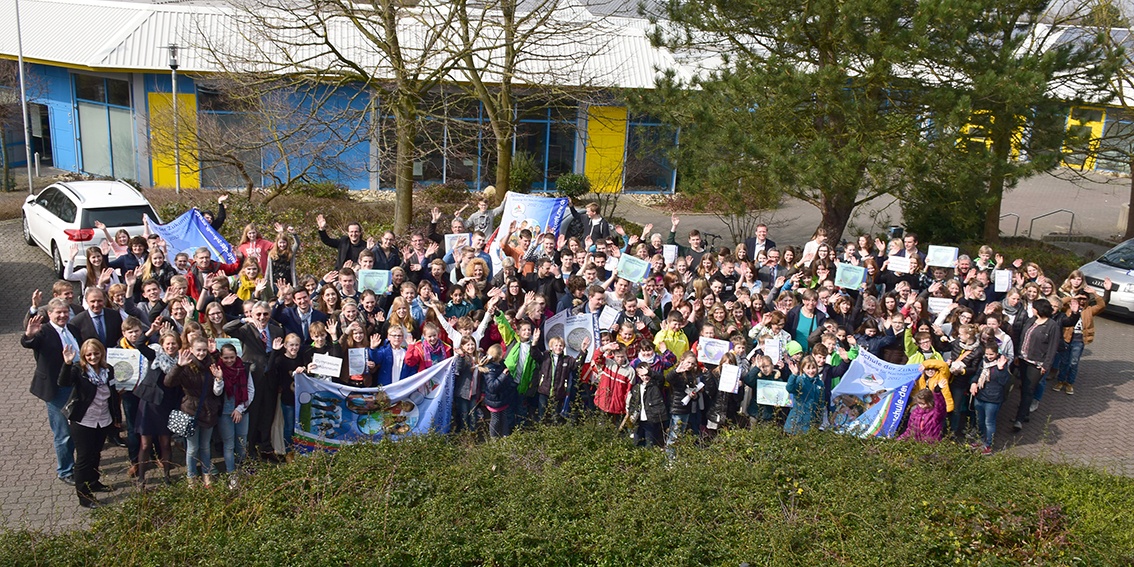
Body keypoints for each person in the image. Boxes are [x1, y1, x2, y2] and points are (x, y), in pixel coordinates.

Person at [21, 297, 82, 485]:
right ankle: (65, 471)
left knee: (76, 427)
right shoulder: (43, 332)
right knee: (63, 432)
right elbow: (28, 342)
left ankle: (76, 463)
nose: (63, 316)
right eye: (58, 313)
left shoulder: (72, 329)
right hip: (56, 389)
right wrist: (29, 335)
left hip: (76, 383)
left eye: (65, 312)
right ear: (50, 314)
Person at [59, 338, 121, 508]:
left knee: (96, 454)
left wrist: (117, 417)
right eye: (89, 355)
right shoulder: (79, 370)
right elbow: (63, 382)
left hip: (103, 419)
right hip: (84, 421)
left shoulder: (108, 370)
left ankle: (94, 482)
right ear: (84, 356)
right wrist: (67, 363)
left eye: (96, 353)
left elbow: (113, 394)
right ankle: (84, 496)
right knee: (84, 458)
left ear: (102, 353)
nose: (93, 357)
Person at [223, 300, 284, 458]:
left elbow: (276, 355)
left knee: (267, 414)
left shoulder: (276, 330)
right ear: (252, 314)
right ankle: (249, 450)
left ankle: (265, 447)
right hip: (252, 378)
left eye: (265, 314)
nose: (262, 317)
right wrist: (245, 319)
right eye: (259, 314)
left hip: (270, 378)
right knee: (252, 414)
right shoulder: (246, 330)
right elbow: (226, 328)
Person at [165, 337, 224, 487]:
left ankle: (206, 474)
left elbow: (216, 391)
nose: (202, 353)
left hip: (209, 410)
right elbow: (168, 382)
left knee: (205, 446)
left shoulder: (212, 364)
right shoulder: (186, 365)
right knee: (192, 448)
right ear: (191, 350)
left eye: (204, 350)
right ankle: (191, 477)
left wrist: (218, 379)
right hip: (191, 410)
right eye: (198, 350)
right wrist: (178, 366)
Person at [133, 332, 181, 488]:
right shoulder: (155, 356)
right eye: (167, 343)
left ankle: (167, 477)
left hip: (168, 406)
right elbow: (139, 345)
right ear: (162, 344)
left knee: (166, 444)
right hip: (150, 404)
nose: (171, 346)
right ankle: (141, 479)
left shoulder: (181, 361)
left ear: (178, 344)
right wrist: (149, 331)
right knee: (145, 445)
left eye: (173, 343)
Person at [1055, 275, 1111, 395]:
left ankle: (1069, 383)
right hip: (1066, 338)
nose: (1082, 301)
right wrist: (1073, 298)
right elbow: (1058, 303)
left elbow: (1101, 305)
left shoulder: (1089, 310)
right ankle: (1060, 381)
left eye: (1084, 299)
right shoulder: (1069, 309)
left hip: (1078, 340)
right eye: (1080, 299)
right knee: (1064, 362)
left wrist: (1095, 293)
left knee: (1073, 362)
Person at [1013, 299, 1061, 432]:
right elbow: (1023, 337)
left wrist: (1047, 365)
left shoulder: (1052, 326)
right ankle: (1025, 413)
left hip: (1037, 363)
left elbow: (1052, 347)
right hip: (1023, 359)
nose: (1032, 310)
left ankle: (1019, 418)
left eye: (1034, 308)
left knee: (1029, 389)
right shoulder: (1031, 320)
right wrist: (1018, 355)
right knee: (1024, 387)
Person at [212, 343, 255, 486]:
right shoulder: (218, 369)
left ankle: (241, 468)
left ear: (237, 355)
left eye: (232, 357)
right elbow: (217, 392)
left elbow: (250, 390)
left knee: (242, 442)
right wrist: (219, 379)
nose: (229, 360)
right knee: (229, 444)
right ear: (221, 357)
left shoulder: (245, 368)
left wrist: (240, 409)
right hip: (225, 412)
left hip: (242, 410)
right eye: (226, 358)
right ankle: (232, 474)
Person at [970, 342, 1012, 455]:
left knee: (989, 422)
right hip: (980, 395)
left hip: (993, 399)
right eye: (987, 354)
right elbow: (978, 374)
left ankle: (988, 445)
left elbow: (1003, 381)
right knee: (980, 420)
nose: (988, 357)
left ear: (997, 353)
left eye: (991, 354)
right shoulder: (984, 361)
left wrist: (1000, 369)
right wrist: (974, 383)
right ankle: (980, 440)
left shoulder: (1001, 363)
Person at [625, 359, 667, 448]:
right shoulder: (636, 387)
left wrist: (650, 372)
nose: (645, 377)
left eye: (647, 375)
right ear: (638, 375)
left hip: (651, 418)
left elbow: (661, 378)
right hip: (639, 419)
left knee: (650, 443)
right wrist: (631, 415)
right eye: (642, 375)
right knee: (637, 442)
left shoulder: (655, 385)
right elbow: (633, 403)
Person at [784, 356, 822, 434]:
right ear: (803, 369)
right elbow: (789, 388)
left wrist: (819, 420)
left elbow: (820, 403)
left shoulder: (820, 383)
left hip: (811, 423)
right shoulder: (800, 380)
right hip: (796, 422)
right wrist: (794, 375)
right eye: (808, 368)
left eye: (813, 368)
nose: (811, 371)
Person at [481, 344, 512, 438]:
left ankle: (505, 435)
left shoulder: (501, 364)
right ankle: (493, 438)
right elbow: (492, 387)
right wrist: (503, 375)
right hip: (494, 400)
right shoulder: (490, 369)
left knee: (504, 418)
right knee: (495, 420)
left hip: (502, 398)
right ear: (500, 355)